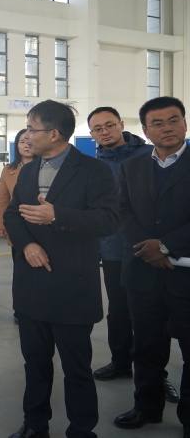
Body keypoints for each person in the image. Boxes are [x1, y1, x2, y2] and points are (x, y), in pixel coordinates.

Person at [4, 100, 119, 438]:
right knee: (35, 364)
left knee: (76, 369)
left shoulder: (94, 170)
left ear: (54, 134)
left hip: (72, 287)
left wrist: (57, 216)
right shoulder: (29, 170)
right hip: (32, 285)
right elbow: (12, 214)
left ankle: (81, 430)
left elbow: (108, 220)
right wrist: (27, 244)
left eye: (32, 128)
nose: (26, 135)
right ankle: (35, 424)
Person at [87, 106, 178, 402]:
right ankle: (121, 362)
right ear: (92, 134)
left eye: (109, 125)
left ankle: (158, 377)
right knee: (119, 311)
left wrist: (159, 245)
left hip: (151, 248)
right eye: (98, 128)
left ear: (121, 125)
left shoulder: (148, 155)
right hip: (113, 249)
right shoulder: (94, 163)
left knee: (154, 318)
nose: (104, 131)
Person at [114, 96, 190, 438]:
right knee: (145, 347)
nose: (167, 128)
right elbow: (122, 212)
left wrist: (164, 245)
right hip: (143, 273)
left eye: (173, 120)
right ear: (145, 131)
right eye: (157, 123)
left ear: (184, 123)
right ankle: (147, 407)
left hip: (185, 275)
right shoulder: (131, 167)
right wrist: (150, 249)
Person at [0, 129, 34, 325]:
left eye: (30, 140)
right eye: (22, 141)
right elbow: (3, 199)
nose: (26, 144)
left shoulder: (45, 166)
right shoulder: (9, 171)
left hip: (41, 225)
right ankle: (20, 310)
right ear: (16, 146)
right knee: (20, 271)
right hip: (17, 226)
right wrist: (1, 225)